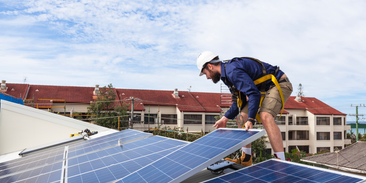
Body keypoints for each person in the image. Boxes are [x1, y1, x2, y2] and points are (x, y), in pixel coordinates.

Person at [197, 51, 293, 166]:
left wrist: (251, 119)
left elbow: (253, 94)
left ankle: (281, 162)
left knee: (265, 116)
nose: (207, 77)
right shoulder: (226, 75)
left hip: (279, 83)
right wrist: (225, 119)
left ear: (210, 66)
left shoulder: (232, 71)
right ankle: (246, 158)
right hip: (262, 89)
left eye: (205, 73)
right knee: (242, 116)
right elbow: (239, 102)